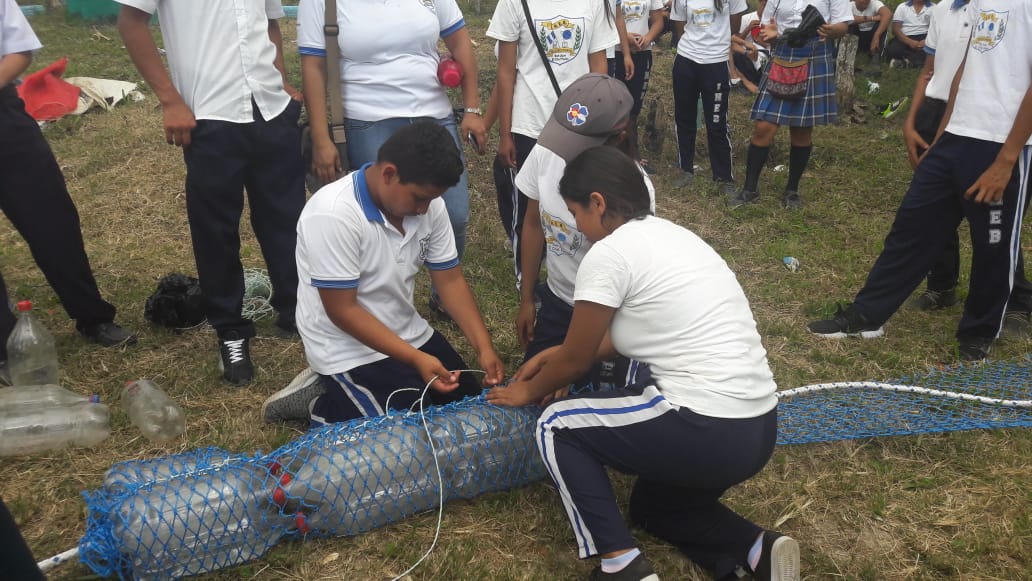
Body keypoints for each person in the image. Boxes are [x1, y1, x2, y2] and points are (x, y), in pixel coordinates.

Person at [488, 146, 795, 581]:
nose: (575, 225)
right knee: (655, 509)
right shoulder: (674, 236)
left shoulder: (609, 253)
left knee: (557, 424)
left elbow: (576, 362)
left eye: (575, 211)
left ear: (598, 203)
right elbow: (608, 343)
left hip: (706, 426)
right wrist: (555, 356)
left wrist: (526, 390)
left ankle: (622, 567)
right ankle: (756, 549)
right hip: (758, 427)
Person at [808, 0, 1032, 361]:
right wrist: (944, 134)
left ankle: (979, 332)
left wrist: (1007, 159)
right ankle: (868, 316)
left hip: (1002, 144)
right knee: (911, 227)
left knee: (993, 243)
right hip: (955, 136)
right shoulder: (981, 4)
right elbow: (964, 72)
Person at [262, 123, 504, 425]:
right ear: (389, 174)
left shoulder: (430, 206)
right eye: (418, 198)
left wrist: (484, 347)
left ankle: (349, 393)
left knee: (472, 410)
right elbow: (343, 311)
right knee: (404, 433)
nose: (424, 209)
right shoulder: (333, 213)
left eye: (431, 200)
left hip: (408, 331)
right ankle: (321, 403)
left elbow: (450, 280)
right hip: (346, 346)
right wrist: (415, 359)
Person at [118, 0, 306, 386]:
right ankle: (231, 331)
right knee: (215, 230)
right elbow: (131, 23)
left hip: (270, 108)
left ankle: (297, 311)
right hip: (210, 115)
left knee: (286, 218)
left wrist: (281, 79)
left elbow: (270, 23)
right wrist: (170, 100)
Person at [298, 0, 485, 319]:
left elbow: (460, 41)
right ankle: (386, 302)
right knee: (385, 222)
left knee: (453, 214)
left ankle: (443, 296)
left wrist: (472, 108)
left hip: (434, 114)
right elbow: (313, 66)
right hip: (368, 118)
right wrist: (321, 137)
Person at [1, 0, 136, 384]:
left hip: (4, 118)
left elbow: (19, 50)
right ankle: (5, 346)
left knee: (52, 221)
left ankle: (93, 317)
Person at [516, 73, 656, 391]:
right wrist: (527, 299)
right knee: (538, 386)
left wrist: (573, 361)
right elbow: (533, 223)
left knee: (597, 399)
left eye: (577, 148)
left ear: (618, 138)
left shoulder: (634, 190)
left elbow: (627, 273)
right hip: (557, 299)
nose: (564, 155)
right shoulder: (545, 154)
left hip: (606, 315)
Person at [901, 0, 1032, 334]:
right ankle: (941, 285)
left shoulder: (1008, 7)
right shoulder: (943, 10)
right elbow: (929, 70)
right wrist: (911, 121)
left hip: (994, 125)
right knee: (935, 210)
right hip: (944, 115)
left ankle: (1015, 302)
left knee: (994, 222)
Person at [487, 0, 618, 290]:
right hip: (529, 123)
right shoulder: (513, 3)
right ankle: (527, 280)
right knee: (527, 208)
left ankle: (581, 271)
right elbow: (506, 72)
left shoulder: (596, 3)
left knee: (581, 196)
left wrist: (599, 121)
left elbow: (598, 66)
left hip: (580, 124)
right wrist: (505, 133)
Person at [732, 0, 852, 210]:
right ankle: (749, 189)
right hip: (783, 55)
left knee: (801, 131)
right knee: (763, 127)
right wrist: (770, 34)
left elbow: (843, 27)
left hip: (815, 55)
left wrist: (831, 30)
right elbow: (765, 30)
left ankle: (792, 191)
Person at [669, 0, 749, 193]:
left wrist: (716, 42)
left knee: (717, 122)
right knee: (684, 117)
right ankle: (685, 168)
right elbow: (679, 25)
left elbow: (735, 25)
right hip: (686, 60)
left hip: (716, 62)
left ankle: (723, 177)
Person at [608, 0, 666, 172]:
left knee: (634, 107)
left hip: (642, 53)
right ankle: (613, 155)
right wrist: (625, 37)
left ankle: (633, 156)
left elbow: (658, 21)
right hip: (615, 52)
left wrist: (646, 39)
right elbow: (606, 21)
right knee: (614, 105)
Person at [884, 0, 932, 68]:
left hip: (925, 37)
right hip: (904, 37)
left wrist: (926, 41)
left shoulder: (934, 8)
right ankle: (916, 61)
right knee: (894, 49)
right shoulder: (902, 7)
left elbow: (936, 30)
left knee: (933, 50)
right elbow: (895, 29)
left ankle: (904, 62)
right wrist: (910, 42)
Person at [848, 0, 891, 65]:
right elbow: (847, 19)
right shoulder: (849, 6)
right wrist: (872, 18)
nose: (866, 1)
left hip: (872, 36)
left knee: (882, 24)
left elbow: (887, 14)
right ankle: (850, 53)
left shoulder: (875, 3)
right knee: (850, 26)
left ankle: (876, 54)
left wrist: (876, 36)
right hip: (857, 36)